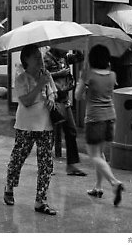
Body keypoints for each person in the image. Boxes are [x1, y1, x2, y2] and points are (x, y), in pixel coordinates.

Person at [4, 44, 58, 216]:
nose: (40, 59)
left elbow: (54, 93)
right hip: (26, 125)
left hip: (45, 125)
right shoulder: (21, 78)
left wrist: (51, 98)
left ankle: (40, 200)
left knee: (46, 164)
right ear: (26, 59)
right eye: (35, 56)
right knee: (18, 158)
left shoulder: (46, 75)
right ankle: (9, 187)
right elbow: (26, 101)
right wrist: (39, 84)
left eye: (40, 56)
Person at [75, 44, 124, 206]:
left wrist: (82, 78)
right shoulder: (112, 75)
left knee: (94, 155)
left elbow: (77, 96)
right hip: (110, 118)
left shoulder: (89, 75)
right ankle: (97, 187)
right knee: (100, 153)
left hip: (95, 119)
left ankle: (114, 183)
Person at [43, 47, 87, 176]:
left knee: (71, 131)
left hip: (64, 99)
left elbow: (79, 58)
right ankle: (45, 165)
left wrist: (78, 47)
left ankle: (71, 166)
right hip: (53, 99)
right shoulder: (47, 58)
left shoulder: (64, 57)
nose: (66, 51)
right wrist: (60, 73)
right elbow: (42, 75)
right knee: (50, 134)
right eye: (64, 49)